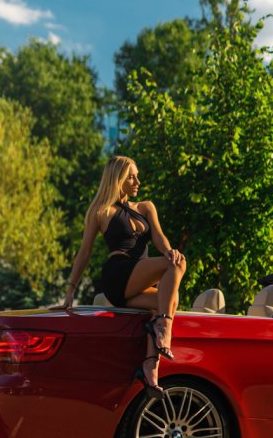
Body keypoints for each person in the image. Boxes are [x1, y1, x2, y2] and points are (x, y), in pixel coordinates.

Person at [60, 156, 186, 393]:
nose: (137, 180)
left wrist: (169, 251)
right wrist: (70, 290)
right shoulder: (101, 211)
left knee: (167, 298)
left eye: (137, 175)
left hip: (136, 279)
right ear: (117, 179)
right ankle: (164, 329)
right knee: (175, 271)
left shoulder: (146, 207)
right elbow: (84, 252)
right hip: (117, 274)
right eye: (131, 176)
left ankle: (150, 366)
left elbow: (158, 237)